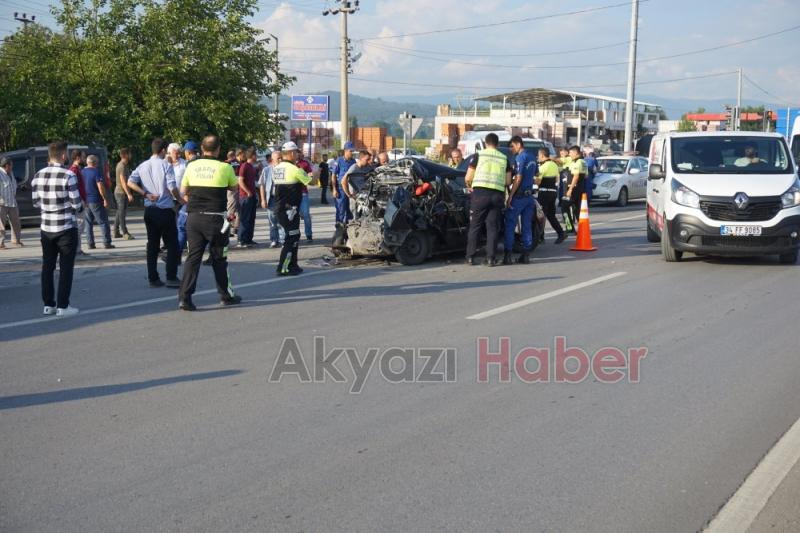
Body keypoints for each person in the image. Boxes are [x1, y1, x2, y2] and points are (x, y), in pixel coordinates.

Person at [177, 135, 242, 310]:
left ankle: (185, 298)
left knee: (193, 258)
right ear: (218, 149)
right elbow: (234, 188)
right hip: (216, 219)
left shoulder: (191, 166)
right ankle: (225, 295)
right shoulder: (225, 167)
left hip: (194, 218)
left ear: (202, 148)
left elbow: (183, 191)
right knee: (219, 258)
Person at [31, 141, 83, 316]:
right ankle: (63, 306)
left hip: (46, 227)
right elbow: (77, 204)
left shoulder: (38, 175)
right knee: (66, 268)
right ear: (62, 155)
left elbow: (35, 202)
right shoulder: (68, 175)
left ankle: (48, 304)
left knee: (48, 266)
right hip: (65, 227)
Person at [127, 138, 182, 288]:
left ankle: (153, 277)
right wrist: (180, 200)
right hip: (164, 209)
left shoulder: (143, 165)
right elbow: (172, 187)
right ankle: (171, 276)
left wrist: (145, 194)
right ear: (163, 150)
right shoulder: (166, 165)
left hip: (150, 210)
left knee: (152, 245)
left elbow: (130, 182)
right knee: (172, 244)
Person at [465, 133, 512, 266]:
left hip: (480, 194)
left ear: (486, 143)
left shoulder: (478, 155)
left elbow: (468, 178)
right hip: (497, 195)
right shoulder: (504, 158)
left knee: (475, 226)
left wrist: (470, 186)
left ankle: (470, 257)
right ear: (497, 144)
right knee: (492, 227)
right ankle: (491, 258)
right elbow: (508, 181)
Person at [273, 142, 312, 276]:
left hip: (283, 208)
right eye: (296, 152)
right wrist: (317, 173)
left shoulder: (277, 168)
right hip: (289, 210)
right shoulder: (295, 169)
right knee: (291, 237)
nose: (298, 155)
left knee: (294, 235)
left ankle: (293, 264)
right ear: (291, 153)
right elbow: (310, 181)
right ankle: (283, 267)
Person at [503, 136, 537, 265]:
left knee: (510, 224)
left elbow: (518, 178)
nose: (511, 149)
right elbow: (535, 175)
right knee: (526, 226)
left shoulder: (520, 158)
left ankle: (507, 255)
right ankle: (526, 255)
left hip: (519, 196)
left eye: (512, 146)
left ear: (518, 144)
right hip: (529, 197)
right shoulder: (532, 156)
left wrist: (510, 195)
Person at [82, 154, 114, 249]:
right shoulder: (96, 172)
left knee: (88, 223)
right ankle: (106, 242)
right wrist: (104, 198)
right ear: (95, 163)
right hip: (96, 200)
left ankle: (90, 243)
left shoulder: (82, 172)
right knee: (103, 222)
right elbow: (100, 186)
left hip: (86, 201)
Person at [535, 148, 566, 244]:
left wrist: (533, 178)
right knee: (551, 215)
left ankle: (540, 237)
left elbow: (538, 181)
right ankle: (561, 233)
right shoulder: (554, 165)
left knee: (540, 216)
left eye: (538, 155)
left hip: (544, 193)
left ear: (542, 155)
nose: (538, 157)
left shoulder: (543, 167)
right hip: (553, 192)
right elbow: (557, 179)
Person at [259, 151, 285, 248]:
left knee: (282, 220)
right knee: (272, 220)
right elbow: (262, 185)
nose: (280, 160)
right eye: (278, 158)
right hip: (271, 198)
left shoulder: (285, 169)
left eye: (281, 158)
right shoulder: (266, 170)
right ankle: (274, 240)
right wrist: (263, 199)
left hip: (282, 199)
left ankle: (283, 240)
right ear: (272, 160)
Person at [167, 142, 188, 256]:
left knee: (181, 221)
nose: (178, 154)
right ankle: (171, 242)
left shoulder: (184, 164)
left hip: (181, 197)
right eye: (176, 152)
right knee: (171, 222)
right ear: (169, 152)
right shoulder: (165, 164)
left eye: (179, 152)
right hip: (169, 198)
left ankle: (181, 243)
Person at [236, 147, 259, 247]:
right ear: (252, 155)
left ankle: (249, 239)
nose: (257, 157)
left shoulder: (251, 166)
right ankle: (241, 239)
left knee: (251, 218)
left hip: (252, 196)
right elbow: (240, 181)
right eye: (256, 155)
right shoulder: (244, 166)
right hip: (245, 197)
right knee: (244, 218)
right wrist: (248, 191)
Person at [0, 157, 24, 249]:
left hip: (12, 202)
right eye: (11, 165)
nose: (12, 167)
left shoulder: (10, 173)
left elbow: (13, 184)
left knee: (16, 222)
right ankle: (0, 243)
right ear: (7, 165)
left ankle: (16, 240)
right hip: (1, 203)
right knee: (1, 225)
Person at [69, 149, 89, 256]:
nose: (85, 159)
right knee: (79, 226)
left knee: (80, 226)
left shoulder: (76, 170)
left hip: (80, 199)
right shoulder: (74, 171)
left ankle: (77, 248)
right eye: (83, 157)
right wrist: (80, 201)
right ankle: (76, 249)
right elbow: (75, 188)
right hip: (78, 201)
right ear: (78, 158)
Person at [341, 150, 371, 218]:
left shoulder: (367, 168)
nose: (368, 161)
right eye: (367, 159)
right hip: (355, 199)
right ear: (361, 158)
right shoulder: (354, 168)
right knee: (356, 219)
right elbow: (343, 181)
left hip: (364, 198)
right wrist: (349, 195)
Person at [113, 148, 135, 240]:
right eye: (129, 153)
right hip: (121, 193)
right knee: (122, 213)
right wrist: (128, 193)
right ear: (125, 155)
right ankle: (125, 233)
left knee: (119, 212)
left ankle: (116, 231)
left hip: (121, 192)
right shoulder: (121, 166)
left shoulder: (125, 165)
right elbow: (123, 181)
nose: (131, 155)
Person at [332, 142, 356, 225]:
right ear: (345, 151)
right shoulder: (339, 161)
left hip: (351, 188)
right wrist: (334, 189)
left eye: (353, 151)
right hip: (340, 188)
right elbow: (334, 175)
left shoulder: (353, 161)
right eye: (351, 151)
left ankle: (348, 229)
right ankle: (339, 229)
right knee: (340, 209)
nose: (352, 153)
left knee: (350, 209)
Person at [566, 146, 588, 224]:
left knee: (564, 207)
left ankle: (569, 227)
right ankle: (582, 226)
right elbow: (586, 176)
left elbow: (576, 176)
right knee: (577, 208)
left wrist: (570, 189)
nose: (569, 154)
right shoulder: (583, 162)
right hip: (580, 188)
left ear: (576, 153)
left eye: (570, 153)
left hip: (574, 189)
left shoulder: (577, 162)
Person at [295, 153, 314, 242]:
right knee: (295, 216)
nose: (296, 155)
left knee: (306, 215)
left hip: (303, 193)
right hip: (293, 194)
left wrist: (310, 176)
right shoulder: (290, 164)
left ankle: (309, 234)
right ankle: (296, 234)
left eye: (297, 153)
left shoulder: (305, 164)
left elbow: (311, 175)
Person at [227, 148, 242, 238]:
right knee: (237, 210)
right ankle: (234, 229)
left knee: (231, 210)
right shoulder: (238, 163)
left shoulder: (226, 163)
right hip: (237, 187)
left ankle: (228, 229)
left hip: (230, 188)